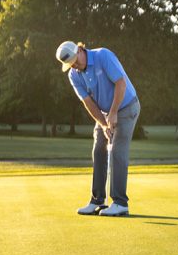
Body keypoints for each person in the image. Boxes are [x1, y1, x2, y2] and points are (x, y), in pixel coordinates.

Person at [55, 41, 140, 216]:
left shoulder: (103, 56)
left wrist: (114, 112)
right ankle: (98, 200)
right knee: (98, 150)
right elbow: (88, 102)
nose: (75, 66)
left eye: (76, 61)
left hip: (126, 106)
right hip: (105, 112)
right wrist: (103, 123)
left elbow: (121, 84)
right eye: (71, 65)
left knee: (117, 151)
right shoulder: (74, 74)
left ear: (80, 50)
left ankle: (120, 203)